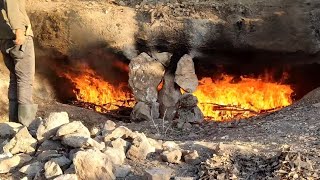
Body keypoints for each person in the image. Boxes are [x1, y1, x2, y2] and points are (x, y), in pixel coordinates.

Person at [0, 0, 37, 127]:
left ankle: (13, 125)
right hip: (17, 37)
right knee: (25, 80)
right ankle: (25, 126)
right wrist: (19, 30)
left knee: (15, 80)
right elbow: (12, 6)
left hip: (4, 38)